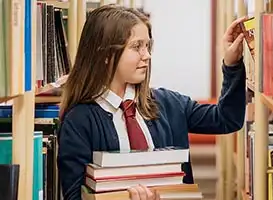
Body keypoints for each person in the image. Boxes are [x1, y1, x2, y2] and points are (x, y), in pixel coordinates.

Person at [57, 4, 247, 200]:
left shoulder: (169, 104)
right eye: (136, 46)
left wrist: (231, 64)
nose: (147, 55)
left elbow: (227, 119)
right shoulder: (78, 121)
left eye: (148, 46)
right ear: (105, 54)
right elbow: (74, 195)